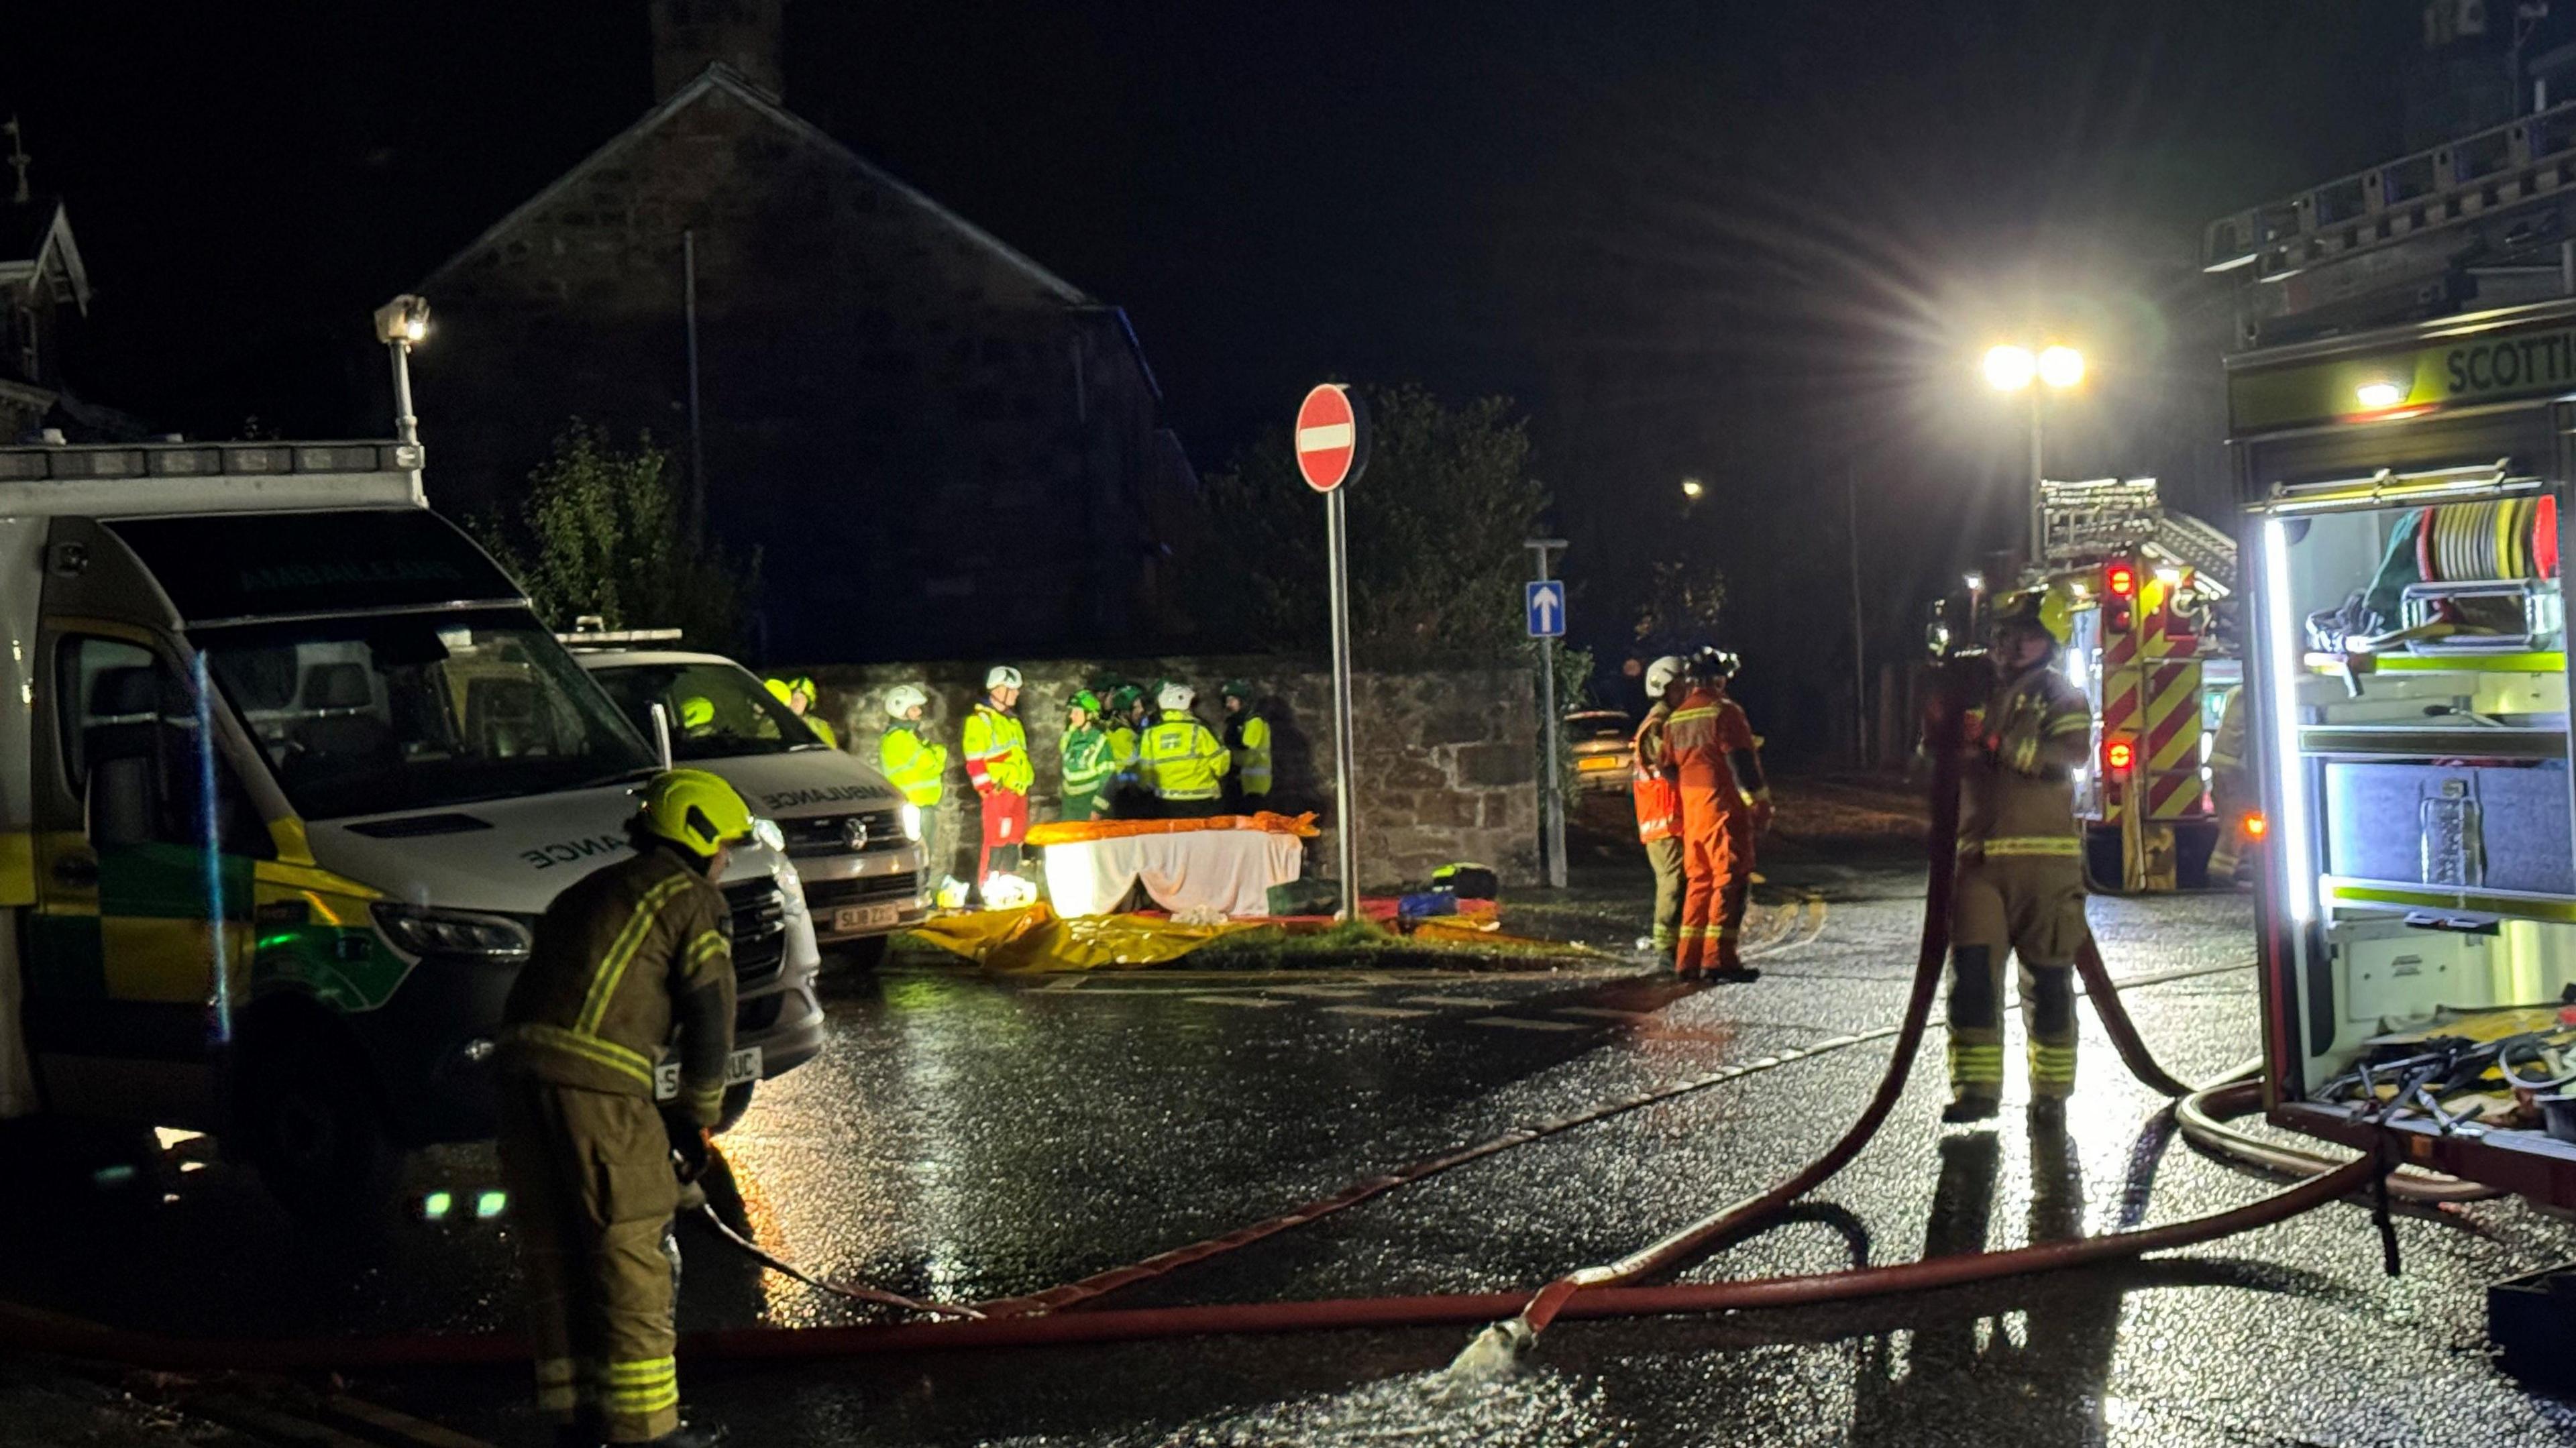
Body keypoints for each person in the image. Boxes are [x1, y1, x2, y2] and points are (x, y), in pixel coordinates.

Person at [493, 769, 752, 1448]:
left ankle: (574, 1419)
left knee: (557, 1251)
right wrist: (698, 1115)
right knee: (631, 1249)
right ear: (698, 836)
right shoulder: (691, 897)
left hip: (519, 1080)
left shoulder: (587, 890)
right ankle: (648, 1431)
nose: (725, 861)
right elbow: (710, 1011)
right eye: (725, 845)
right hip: (597, 1084)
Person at [1944, 589, 2096, 1125]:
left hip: (2046, 867)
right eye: (2004, 634)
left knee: (2051, 982)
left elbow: (2071, 757)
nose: (2010, 646)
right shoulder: (1974, 691)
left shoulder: (2062, 695)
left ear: (2049, 641)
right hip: (1979, 863)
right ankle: (1976, 1091)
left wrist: (1999, 747)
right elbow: (1933, 762)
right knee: (1972, 980)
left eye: (2024, 635)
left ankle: (2051, 1094)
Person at [1665, 647, 1772, 983]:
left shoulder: (1676, 718)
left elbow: (1667, 768)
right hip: (1723, 811)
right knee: (1730, 880)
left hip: (1694, 814)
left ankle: (1688, 961)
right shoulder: (1724, 712)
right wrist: (1759, 803)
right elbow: (1741, 762)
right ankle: (1719, 960)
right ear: (1717, 679)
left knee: (1699, 882)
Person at [1630, 656, 1688, 963]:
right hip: (1662, 821)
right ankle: (1665, 946)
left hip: (1674, 818)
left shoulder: (1670, 722)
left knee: (1683, 878)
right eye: (1680, 687)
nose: (1686, 692)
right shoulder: (1657, 726)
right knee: (1672, 880)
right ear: (1662, 688)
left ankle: (1678, 942)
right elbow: (1670, 768)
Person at [961, 666, 1034, 894]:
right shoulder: (980, 721)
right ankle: (988, 886)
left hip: (1018, 790)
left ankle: (1008, 882)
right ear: (999, 690)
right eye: (1012, 690)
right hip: (999, 791)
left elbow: (1019, 755)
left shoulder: (1013, 721)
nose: (1017, 694)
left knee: (1015, 839)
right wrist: (986, 788)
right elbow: (974, 758)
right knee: (996, 840)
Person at [879, 683, 951, 891]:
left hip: (922, 805)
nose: (919, 712)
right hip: (914, 807)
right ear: (901, 711)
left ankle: (922, 891)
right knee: (918, 856)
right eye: (915, 708)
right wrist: (937, 754)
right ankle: (918, 892)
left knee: (925, 854)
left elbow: (933, 758)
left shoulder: (910, 736)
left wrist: (935, 754)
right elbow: (932, 760)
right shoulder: (898, 739)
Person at [1137, 680, 1230, 818]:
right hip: (1203, 801)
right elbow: (1221, 766)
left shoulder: (1150, 734)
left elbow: (1144, 773)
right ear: (1185, 706)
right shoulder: (1200, 731)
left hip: (1165, 802)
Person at [1059, 689, 1116, 821]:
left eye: (1077, 712)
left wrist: (1097, 810)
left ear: (1090, 715)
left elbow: (1108, 779)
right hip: (1069, 808)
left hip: (1089, 809)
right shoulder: (1069, 737)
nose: (1072, 716)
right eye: (1072, 712)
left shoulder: (1100, 740)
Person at [1218, 679, 1273, 811]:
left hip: (1255, 786)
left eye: (1232, 700)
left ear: (1243, 701)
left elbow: (1247, 751)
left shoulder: (1254, 721)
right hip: (1241, 784)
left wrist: (1227, 756)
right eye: (1227, 700)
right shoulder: (1237, 722)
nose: (1228, 704)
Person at [1102, 684, 1150, 818]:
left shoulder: (1125, 730)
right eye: (1136, 707)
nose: (1142, 711)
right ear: (1124, 712)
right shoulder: (1121, 735)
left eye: (1142, 706)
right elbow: (1132, 770)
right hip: (1123, 797)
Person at [764, 675, 839, 748]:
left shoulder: (818, 726)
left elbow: (830, 750)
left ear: (807, 705)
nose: (796, 702)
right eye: (793, 697)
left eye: (802, 699)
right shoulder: (773, 721)